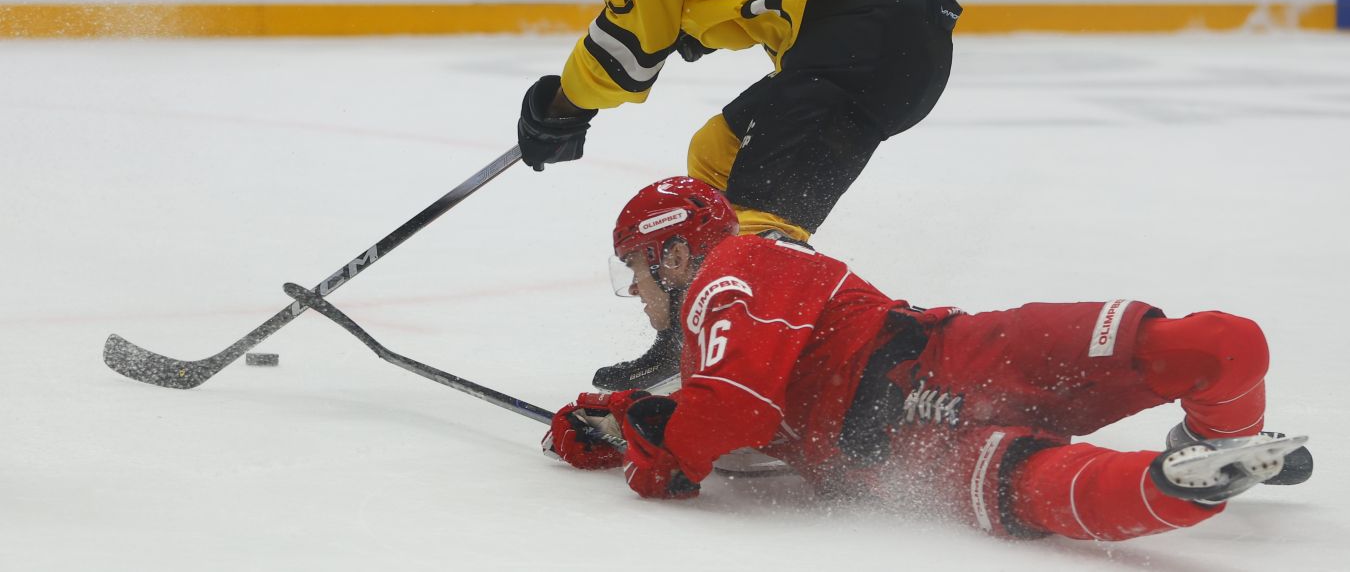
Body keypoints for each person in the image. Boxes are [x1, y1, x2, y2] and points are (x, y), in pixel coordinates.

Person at [515, 0, 960, 391]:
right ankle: (692, 339)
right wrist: (699, 22)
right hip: (906, 23)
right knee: (717, 157)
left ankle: (832, 379)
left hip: (856, 41)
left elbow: (627, 60)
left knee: (757, 236)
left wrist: (560, 107)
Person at [542, 177, 1313, 541]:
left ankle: (1198, 462)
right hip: (920, 417)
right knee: (1049, 478)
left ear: (676, 253)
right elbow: (724, 421)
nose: (636, 292)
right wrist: (621, 427)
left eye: (635, 268)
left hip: (936, 381)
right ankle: (1188, 476)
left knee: (1213, 353)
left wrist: (639, 443)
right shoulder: (721, 323)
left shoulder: (734, 269)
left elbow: (729, 418)